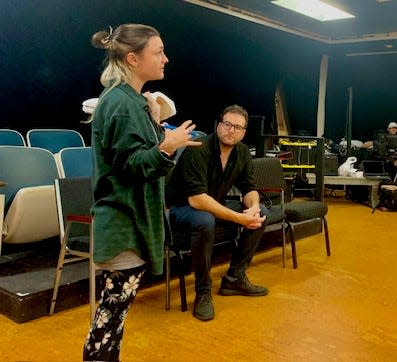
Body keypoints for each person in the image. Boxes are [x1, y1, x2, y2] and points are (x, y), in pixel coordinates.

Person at [86, 24, 200, 361]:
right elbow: (132, 167)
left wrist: (153, 120)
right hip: (124, 226)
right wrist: (167, 146)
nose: (166, 58)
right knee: (109, 321)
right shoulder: (121, 104)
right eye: (158, 52)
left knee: (113, 319)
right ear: (133, 58)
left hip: (130, 224)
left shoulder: (131, 101)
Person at [165, 104, 269, 322]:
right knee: (205, 219)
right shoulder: (199, 148)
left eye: (237, 127)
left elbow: (249, 188)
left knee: (261, 213)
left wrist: (253, 207)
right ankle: (203, 292)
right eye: (227, 124)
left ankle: (234, 278)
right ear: (219, 125)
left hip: (210, 206)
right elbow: (197, 200)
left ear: (244, 133)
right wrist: (239, 218)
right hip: (179, 210)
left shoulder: (241, 152)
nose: (231, 130)